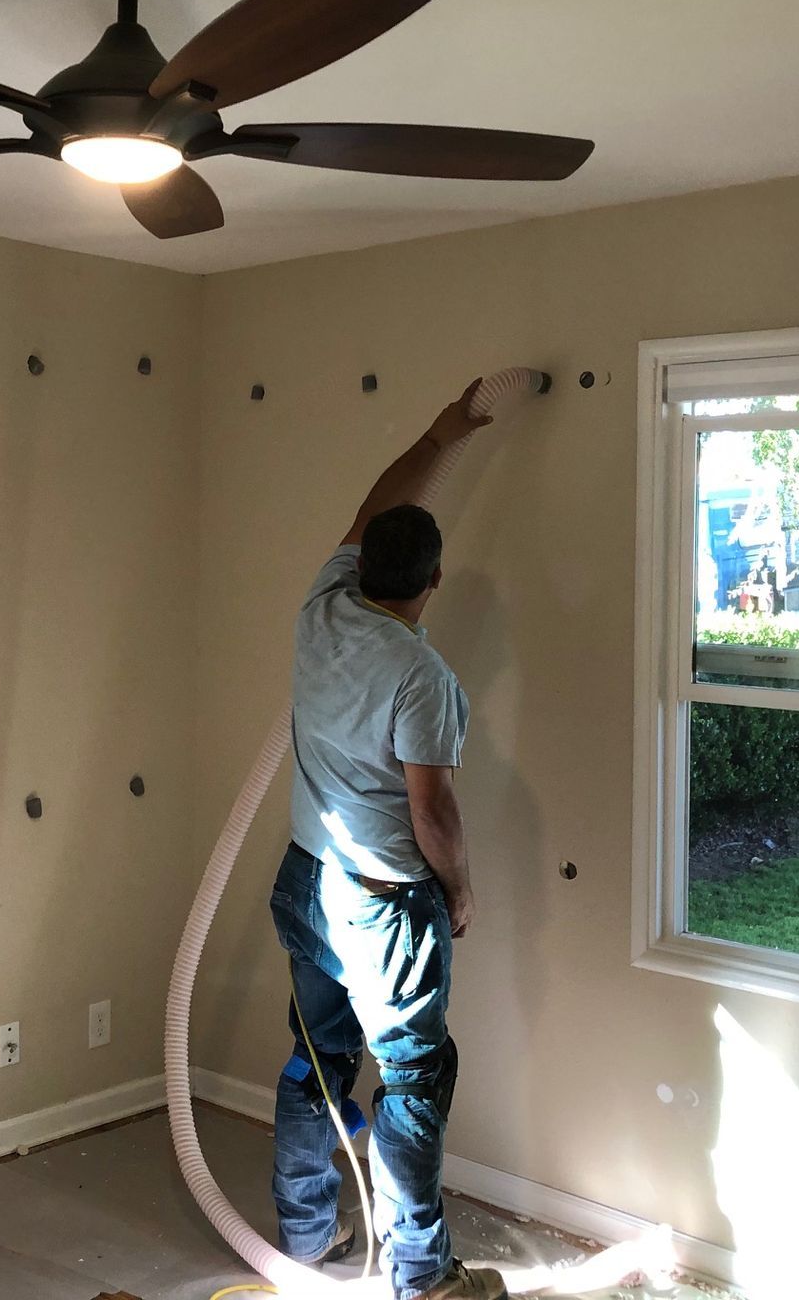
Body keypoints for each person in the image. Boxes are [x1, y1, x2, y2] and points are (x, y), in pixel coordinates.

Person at [269, 378, 503, 1300]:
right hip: (383, 906)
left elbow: (376, 499)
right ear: (433, 582)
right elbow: (432, 812)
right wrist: (464, 890)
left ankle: (304, 1227)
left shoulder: (323, 600)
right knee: (411, 1081)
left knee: (316, 1058)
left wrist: (441, 433)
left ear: (362, 563)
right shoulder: (422, 673)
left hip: (307, 878)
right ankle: (423, 1275)